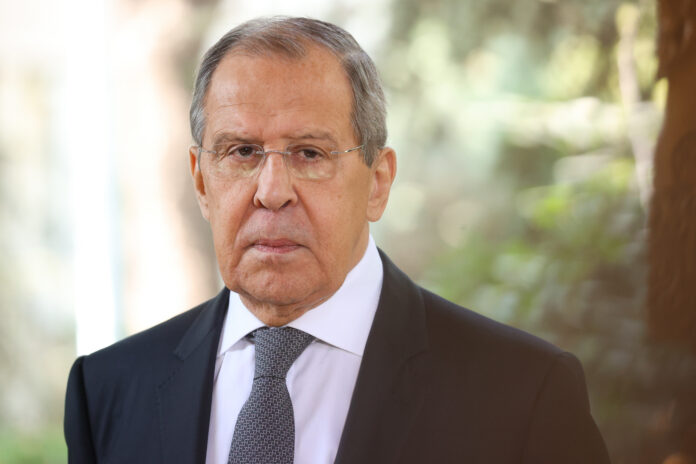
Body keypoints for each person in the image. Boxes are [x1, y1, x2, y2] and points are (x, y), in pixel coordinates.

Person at [64, 16, 611, 464]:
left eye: (309, 153)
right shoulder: (107, 391)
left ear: (378, 183)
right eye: (242, 152)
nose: (271, 192)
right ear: (202, 182)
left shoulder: (522, 394)